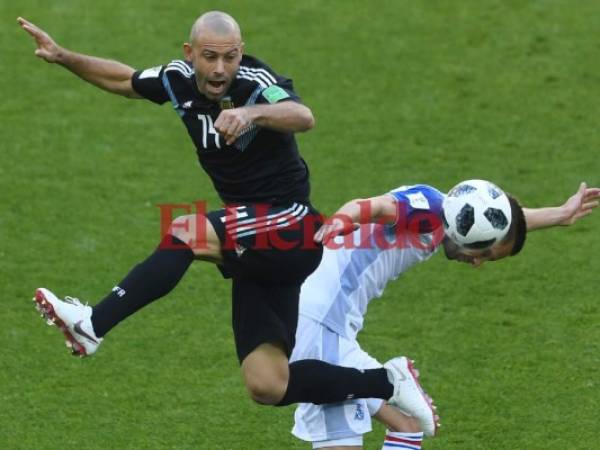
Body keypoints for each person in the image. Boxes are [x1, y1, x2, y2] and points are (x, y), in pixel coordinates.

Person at [18, 11, 438, 434]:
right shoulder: (176, 78)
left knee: (187, 231)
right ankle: (388, 381)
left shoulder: (255, 81)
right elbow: (124, 81)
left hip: (290, 222)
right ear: (190, 54)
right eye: (210, 57)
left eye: (230, 57)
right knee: (268, 383)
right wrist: (62, 56)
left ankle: (92, 324)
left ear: (241, 53)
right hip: (256, 240)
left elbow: (302, 116)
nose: (221, 68)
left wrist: (252, 114)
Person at [291, 181, 599, 449]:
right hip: (320, 323)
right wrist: (343, 218)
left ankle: (392, 384)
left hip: (326, 320)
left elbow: (501, 222)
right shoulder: (427, 213)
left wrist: (559, 214)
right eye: (485, 253)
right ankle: (391, 379)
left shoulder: (449, 212)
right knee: (391, 422)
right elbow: (373, 207)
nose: (478, 263)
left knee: (407, 425)